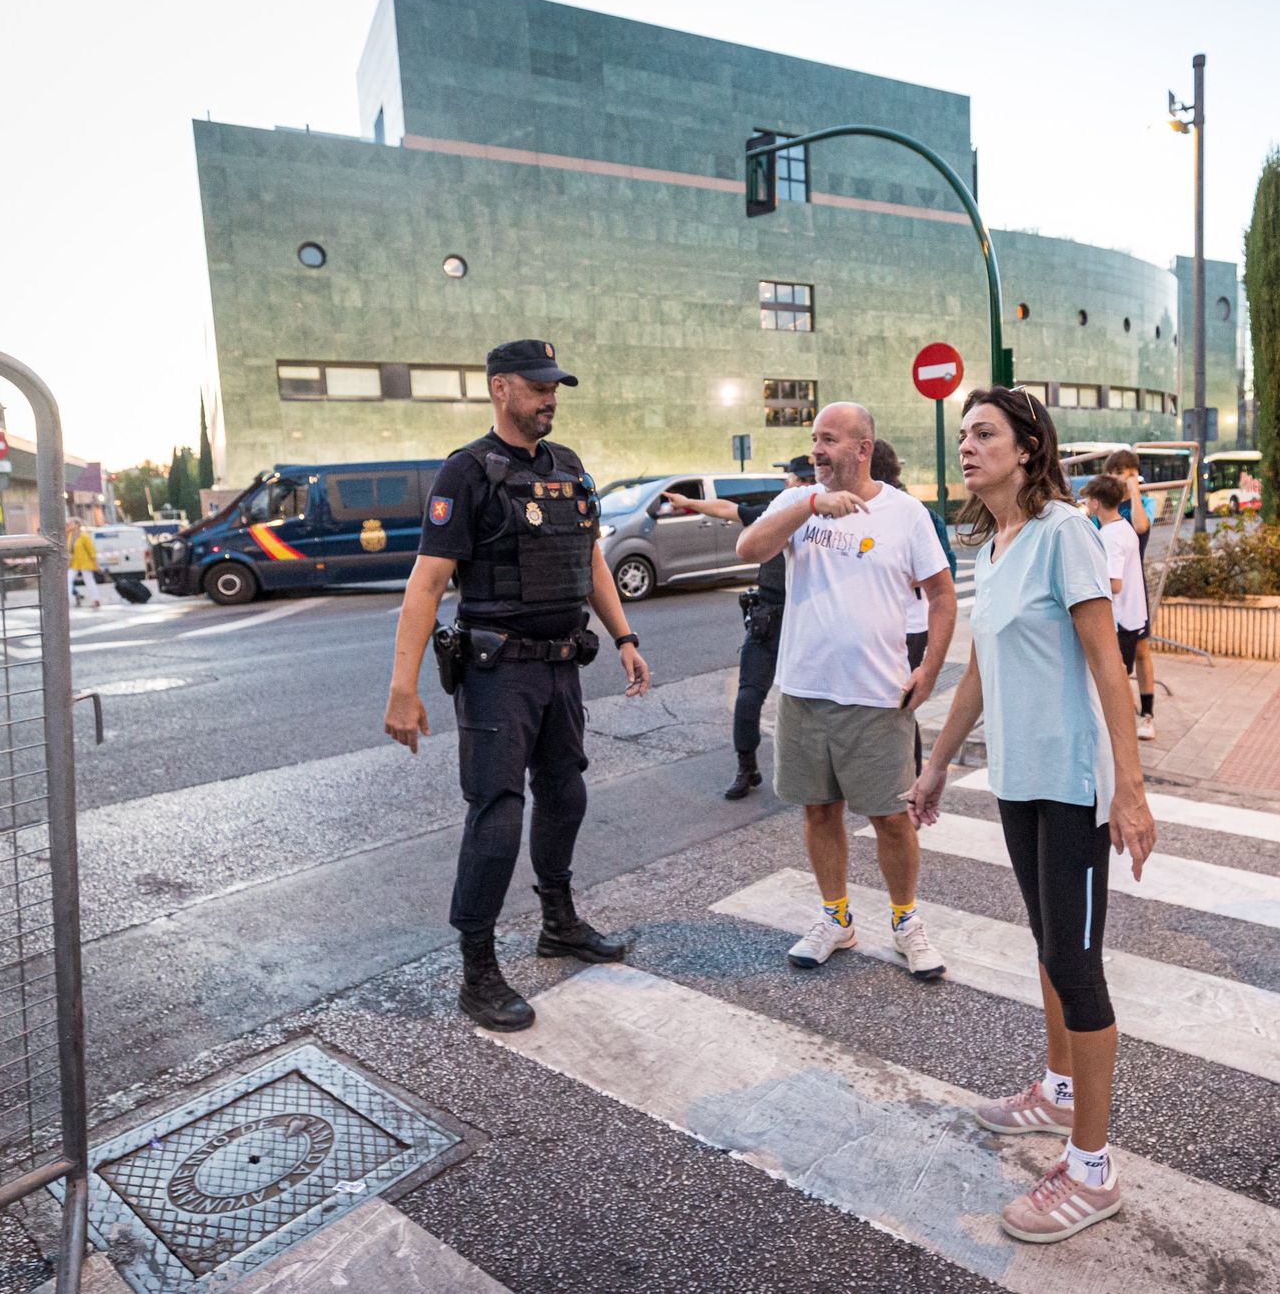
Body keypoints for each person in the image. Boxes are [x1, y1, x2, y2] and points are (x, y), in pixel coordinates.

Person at [910, 387, 1156, 1244]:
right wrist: (938, 762)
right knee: (1047, 942)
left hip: (1073, 784)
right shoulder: (998, 542)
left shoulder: (1064, 534)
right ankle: (1058, 1089)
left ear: (1027, 448)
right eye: (965, 435)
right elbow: (980, 668)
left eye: (985, 434)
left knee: (1076, 964)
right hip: (1019, 780)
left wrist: (1130, 786)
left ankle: (1094, 1169)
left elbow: (1109, 664)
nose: (968, 446)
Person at [384, 339, 652, 1032]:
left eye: (555, 386)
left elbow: (589, 557)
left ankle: (557, 921)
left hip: (562, 665)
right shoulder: (466, 472)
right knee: (497, 814)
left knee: (566, 795)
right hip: (498, 673)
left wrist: (624, 638)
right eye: (537, 388)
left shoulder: (568, 467)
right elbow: (428, 583)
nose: (550, 398)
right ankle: (477, 967)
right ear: (501, 389)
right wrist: (402, 689)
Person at [734, 403, 956, 980]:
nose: (817, 450)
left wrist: (929, 670)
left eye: (829, 440)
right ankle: (836, 918)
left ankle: (906, 922)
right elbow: (748, 551)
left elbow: (941, 595)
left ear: (862, 448)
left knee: (891, 818)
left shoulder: (906, 514)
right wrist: (811, 503)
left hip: (878, 696)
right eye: (814, 439)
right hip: (805, 693)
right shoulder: (797, 503)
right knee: (818, 811)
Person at [663, 455, 815, 799]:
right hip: (769, 617)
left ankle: (816, 773)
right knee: (748, 696)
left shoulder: (831, 516)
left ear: (803, 481)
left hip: (807, 620)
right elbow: (726, 509)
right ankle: (747, 767)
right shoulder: (775, 513)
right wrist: (689, 502)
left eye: (790, 479)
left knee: (810, 701)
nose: (786, 485)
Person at [1101, 451, 1157, 739]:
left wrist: (1134, 493)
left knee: (1141, 650)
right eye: (1117, 471)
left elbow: (1141, 528)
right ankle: (1121, 705)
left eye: (1128, 471)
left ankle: (1148, 715)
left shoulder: (1144, 504)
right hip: (1106, 591)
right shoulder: (1100, 507)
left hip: (1133, 589)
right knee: (1111, 655)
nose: (1122, 476)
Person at [868, 440, 932, 673]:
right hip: (879, 626)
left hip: (909, 623)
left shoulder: (911, 510)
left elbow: (936, 571)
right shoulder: (862, 508)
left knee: (894, 698)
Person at [1083, 475, 1148, 685]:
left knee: (1114, 683)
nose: (1085, 504)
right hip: (1130, 617)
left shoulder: (1110, 536)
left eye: (1087, 500)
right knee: (1121, 680)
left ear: (1095, 503)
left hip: (1119, 621)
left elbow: (1114, 584)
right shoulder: (1124, 528)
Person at [65, 518, 103, 609]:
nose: (69, 525)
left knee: (89, 580)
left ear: (77, 525)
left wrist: (96, 563)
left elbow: (91, 550)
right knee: (67, 580)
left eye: (71, 523)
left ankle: (95, 599)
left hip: (85, 562)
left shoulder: (84, 536)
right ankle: (69, 600)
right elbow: (69, 549)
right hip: (73, 563)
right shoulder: (70, 536)